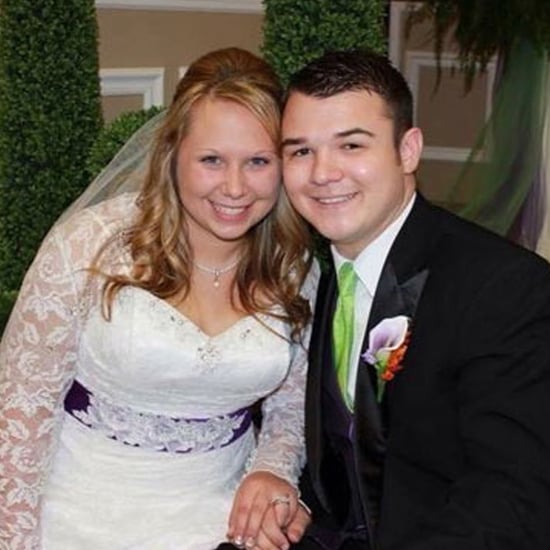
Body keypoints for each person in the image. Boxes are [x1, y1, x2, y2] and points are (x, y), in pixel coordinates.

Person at [0, 47, 319, 550]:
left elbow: (293, 406)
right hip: (73, 520)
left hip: (221, 525)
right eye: (211, 160)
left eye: (258, 161)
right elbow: (19, 418)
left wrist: (272, 471)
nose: (235, 188)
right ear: (172, 155)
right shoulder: (89, 246)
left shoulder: (295, 267)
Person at [274, 49, 550, 549]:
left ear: (408, 151)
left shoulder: (505, 287)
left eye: (351, 146)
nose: (322, 173)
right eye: (300, 151)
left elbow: (513, 496)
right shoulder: (323, 274)